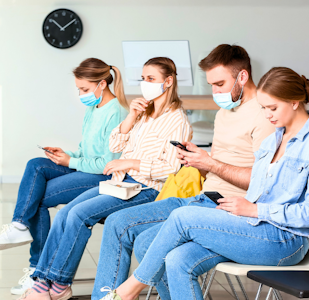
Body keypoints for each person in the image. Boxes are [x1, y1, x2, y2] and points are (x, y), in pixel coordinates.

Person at [99, 66, 309, 300]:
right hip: (254, 225)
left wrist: (255, 209)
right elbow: (260, 191)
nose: (267, 115)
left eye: (272, 108)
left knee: (183, 217)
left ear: (294, 101)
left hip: (284, 240)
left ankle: (128, 291)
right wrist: (240, 206)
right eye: (263, 108)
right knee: (177, 260)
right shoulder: (275, 138)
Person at [91, 44, 276, 300]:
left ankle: (122, 293)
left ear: (242, 76)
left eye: (220, 83)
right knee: (119, 223)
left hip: (230, 207)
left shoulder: (266, 115)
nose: (215, 92)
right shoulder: (224, 112)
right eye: (211, 84)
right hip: (204, 196)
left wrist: (210, 164)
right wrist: (199, 158)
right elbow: (225, 161)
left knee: (147, 242)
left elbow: (263, 181)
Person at [18, 57, 193, 300]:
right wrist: (131, 117)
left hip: (147, 189)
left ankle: (57, 283)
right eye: (143, 78)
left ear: (169, 81)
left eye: (151, 79)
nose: (146, 84)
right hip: (123, 182)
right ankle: (46, 282)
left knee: (79, 215)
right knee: (68, 210)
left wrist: (130, 162)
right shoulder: (144, 113)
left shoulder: (177, 121)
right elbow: (115, 143)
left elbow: (171, 168)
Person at [0, 58, 129, 295]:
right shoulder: (93, 109)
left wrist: (70, 162)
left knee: (38, 197)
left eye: (84, 89)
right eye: (79, 89)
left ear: (102, 84)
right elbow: (86, 152)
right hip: (84, 168)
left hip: (102, 178)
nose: (81, 94)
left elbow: (108, 163)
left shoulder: (116, 113)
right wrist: (66, 155)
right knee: (37, 164)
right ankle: (19, 224)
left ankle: (36, 271)